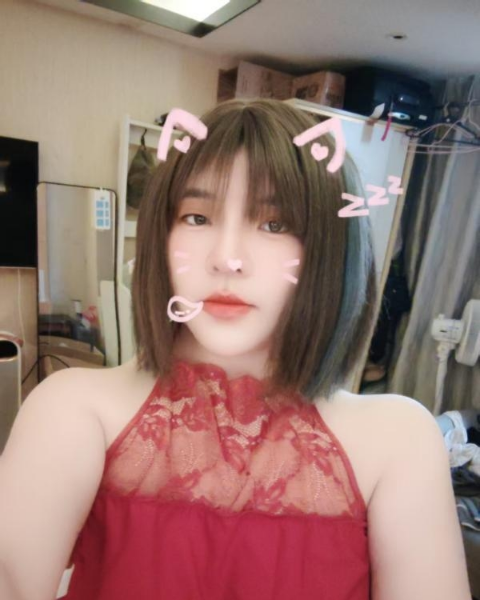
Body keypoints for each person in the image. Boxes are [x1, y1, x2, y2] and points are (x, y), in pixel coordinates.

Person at [0, 99, 472, 600]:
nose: (227, 259)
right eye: (197, 217)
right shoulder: (72, 409)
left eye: (274, 224)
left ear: (332, 249)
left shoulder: (399, 440)